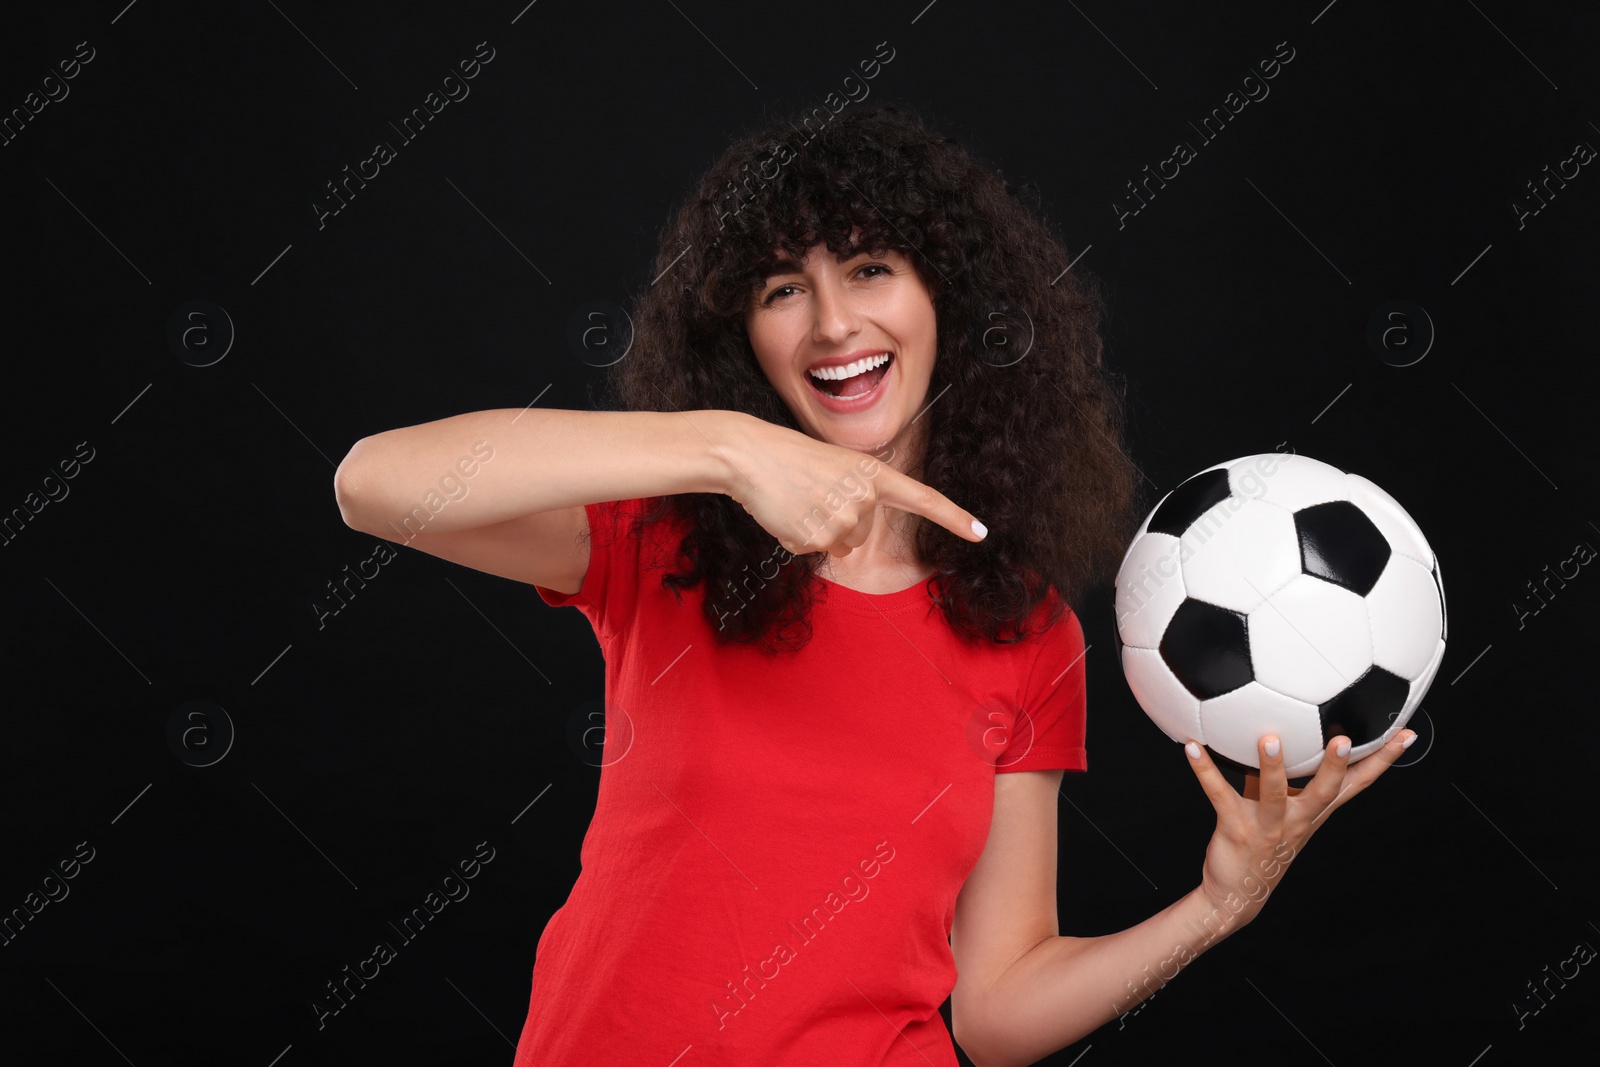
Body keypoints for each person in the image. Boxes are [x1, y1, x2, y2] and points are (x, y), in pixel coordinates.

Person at [333, 104, 1415, 1067]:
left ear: (946, 294)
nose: (833, 323)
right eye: (780, 289)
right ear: (740, 335)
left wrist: (1219, 905)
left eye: (868, 269)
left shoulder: (1025, 631)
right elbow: (374, 484)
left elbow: (994, 1011)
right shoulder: (666, 541)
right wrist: (720, 449)